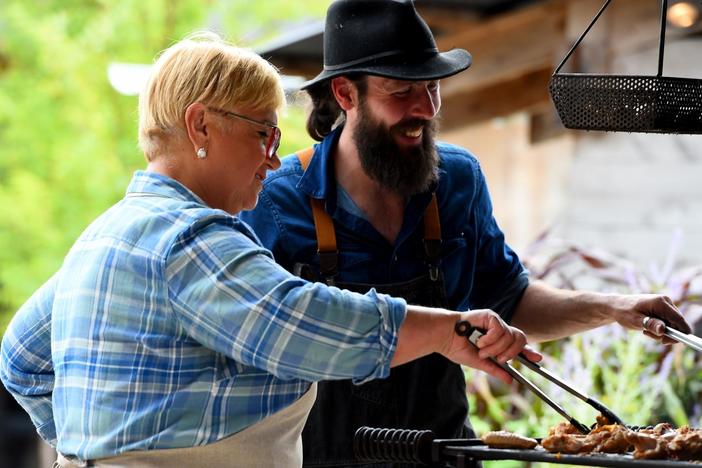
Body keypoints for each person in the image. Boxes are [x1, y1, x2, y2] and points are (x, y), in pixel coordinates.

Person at [0, 32, 539, 468]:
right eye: (264, 134)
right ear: (200, 125)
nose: (274, 161)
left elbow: (21, 360)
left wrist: (90, 445)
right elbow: (304, 324)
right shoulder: (190, 240)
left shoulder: (106, 234)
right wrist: (447, 331)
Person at [238, 1, 693, 466]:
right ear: (346, 94)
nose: (425, 108)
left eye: (432, 87)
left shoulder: (457, 180)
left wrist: (615, 309)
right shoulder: (274, 203)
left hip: (445, 454)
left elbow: (509, 300)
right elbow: (251, 345)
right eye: (401, 91)